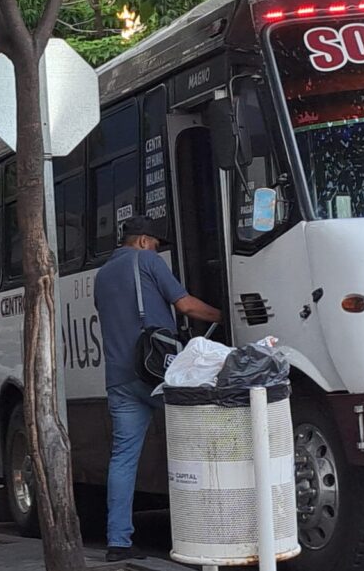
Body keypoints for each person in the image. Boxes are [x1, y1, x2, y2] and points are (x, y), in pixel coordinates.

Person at [94, 215, 222, 562]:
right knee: (196, 443)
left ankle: (118, 542)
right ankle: (209, 532)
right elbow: (185, 305)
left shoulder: (102, 275)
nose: (156, 250)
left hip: (120, 379)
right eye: (155, 244)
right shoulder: (147, 260)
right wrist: (223, 315)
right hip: (159, 374)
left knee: (123, 459)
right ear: (143, 241)